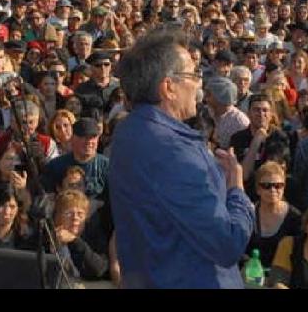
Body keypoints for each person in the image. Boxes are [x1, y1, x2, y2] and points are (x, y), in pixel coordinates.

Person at [109, 29, 254, 288]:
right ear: (168, 88)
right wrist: (236, 190)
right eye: (192, 74)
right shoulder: (173, 150)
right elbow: (226, 243)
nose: (199, 83)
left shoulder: (127, 131)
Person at [244, 161, 302, 269]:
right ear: (258, 189)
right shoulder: (247, 213)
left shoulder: (295, 219)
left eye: (278, 186)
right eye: (266, 186)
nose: (273, 190)